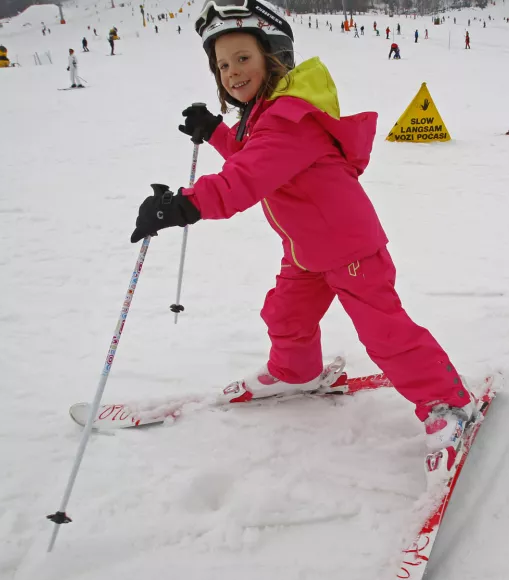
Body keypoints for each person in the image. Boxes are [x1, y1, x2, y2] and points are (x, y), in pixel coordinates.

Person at [130, 0, 476, 456]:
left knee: (384, 331)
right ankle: (296, 371)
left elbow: (246, 176)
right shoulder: (266, 114)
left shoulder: (288, 119)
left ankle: (449, 405)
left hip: (349, 247)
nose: (232, 73)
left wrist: (182, 206)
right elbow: (249, 153)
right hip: (305, 249)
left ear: (274, 57)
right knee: (285, 315)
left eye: (243, 59)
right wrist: (214, 129)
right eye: (223, 65)